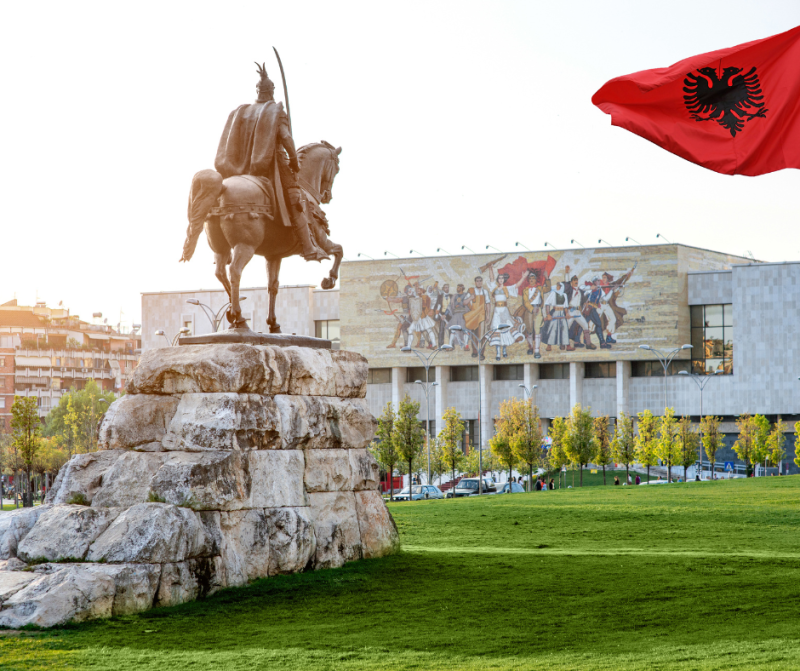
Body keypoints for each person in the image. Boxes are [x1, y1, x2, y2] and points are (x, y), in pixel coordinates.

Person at [198, 63, 329, 262]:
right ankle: (309, 246)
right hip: (271, 165)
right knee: (296, 198)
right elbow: (286, 139)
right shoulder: (275, 111)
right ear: (272, 91)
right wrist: (294, 161)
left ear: (258, 92)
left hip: (238, 168)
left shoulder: (241, 111)